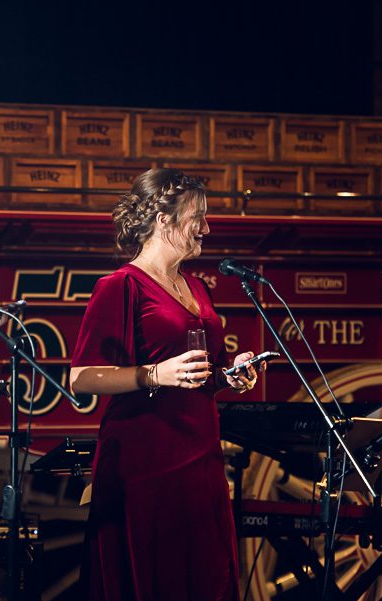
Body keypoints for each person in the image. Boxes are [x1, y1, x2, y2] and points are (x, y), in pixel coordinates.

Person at [69, 168, 259, 601]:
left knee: (205, 574)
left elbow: (200, 367)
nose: (207, 229)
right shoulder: (120, 286)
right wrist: (153, 374)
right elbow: (82, 376)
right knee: (156, 575)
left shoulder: (194, 285)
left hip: (201, 454)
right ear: (163, 220)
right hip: (146, 460)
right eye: (199, 218)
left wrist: (231, 372)